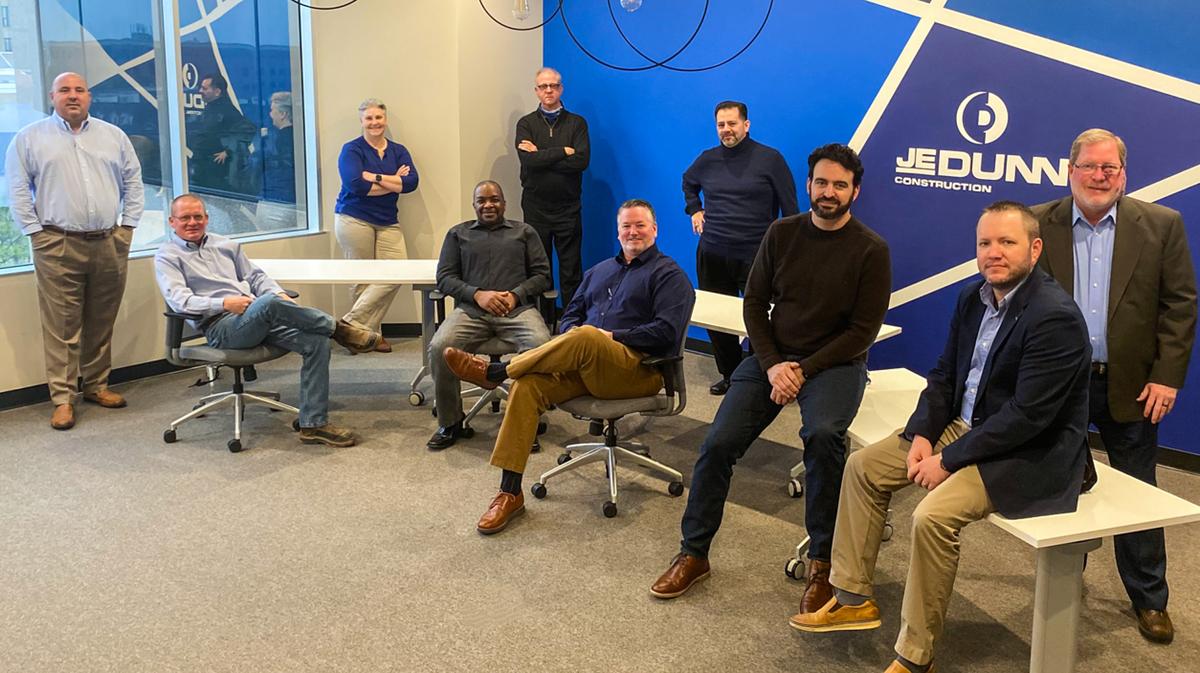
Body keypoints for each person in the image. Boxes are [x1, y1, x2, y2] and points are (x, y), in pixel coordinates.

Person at [790, 201, 1092, 673]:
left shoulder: (1055, 316)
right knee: (863, 467)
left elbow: (1027, 417)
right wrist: (923, 434)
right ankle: (853, 599)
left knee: (932, 517)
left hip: (1028, 449)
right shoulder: (973, 297)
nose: (994, 252)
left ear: (1034, 249)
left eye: (1007, 242)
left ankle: (916, 656)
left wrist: (947, 460)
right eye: (985, 243)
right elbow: (946, 375)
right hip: (964, 425)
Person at [651, 144, 890, 605]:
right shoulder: (782, 233)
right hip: (773, 358)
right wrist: (774, 364)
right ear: (809, 185)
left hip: (835, 364)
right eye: (822, 182)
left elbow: (862, 332)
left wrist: (802, 369)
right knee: (717, 444)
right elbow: (755, 303)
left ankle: (823, 563)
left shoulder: (871, 250)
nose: (829, 192)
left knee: (823, 438)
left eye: (840, 185)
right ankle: (694, 553)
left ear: (855, 192)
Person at [1033, 128, 1197, 644]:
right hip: (1059, 386)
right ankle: (1064, 584)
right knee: (1059, 486)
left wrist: (1166, 376)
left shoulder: (1162, 225)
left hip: (1131, 384)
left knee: (1138, 490)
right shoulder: (1036, 224)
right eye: (1089, 166)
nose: (1099, 176)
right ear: (1070, 171)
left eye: (1110, 168)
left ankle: (1150, 598)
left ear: (1124, 174)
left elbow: (1179, 305)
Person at [442, 199, 693, 535]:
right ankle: (510, 492)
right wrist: (576, 336)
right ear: (617, 232)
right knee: (528, 385)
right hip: (587, 366)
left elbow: (666, 332)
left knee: (587, 335)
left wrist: (610, 336)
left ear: (655, 230)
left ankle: (498, 372)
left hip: (638, 370)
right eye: (626, 226)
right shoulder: (599, 271)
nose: (633, 232)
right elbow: (571, 315)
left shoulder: (669, 275)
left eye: (640, 225)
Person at [154, 194, 381, 447]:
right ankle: (339, 329)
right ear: (172, 221)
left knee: (316, 342)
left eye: (198, 216)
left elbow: (257, 277)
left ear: (207, 218)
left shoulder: (226, 245)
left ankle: (313, 424)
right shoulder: (167, 256)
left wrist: (280, 295)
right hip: (220, 327)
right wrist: (225, 303)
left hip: (255, 316)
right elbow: (180, 301)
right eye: (185, 218)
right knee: (268, 303)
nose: (192, 222)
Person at [5, 71, 144, 430]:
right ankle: (63, 399)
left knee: (102, 318)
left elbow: (133, 182)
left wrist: (128, 227)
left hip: (109, 241)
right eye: (64, 90)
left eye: (79, 90)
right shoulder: (30, 138)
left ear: (89, 97)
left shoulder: (113, 136)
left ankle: (97, 385)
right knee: (62, 326)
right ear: (52, 97)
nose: (72, 95)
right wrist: (36, 234)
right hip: (56, 242)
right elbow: (17, 190)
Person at [682, 100, 799, 395]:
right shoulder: (707, 159)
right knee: (716, 320)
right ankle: (731, 375)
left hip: (756, 256)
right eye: (721, 125)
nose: (726, 130)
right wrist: (695, 209)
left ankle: (757, 378)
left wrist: (787, 252)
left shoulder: (770, 159)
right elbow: (688, 181)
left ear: (746, 125)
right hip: (712, 253)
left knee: (759, 320)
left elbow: (791, 210)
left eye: (732, 123)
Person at [426, 181, 552, 450]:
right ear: (474, 205)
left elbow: (543, 276)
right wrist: (477, 295)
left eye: (494, 199)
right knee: (439, 347)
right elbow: (444, 278)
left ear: (504, 203)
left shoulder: (525, 232)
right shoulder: (457, 234)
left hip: (517, 311)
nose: (488, 205)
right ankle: (451, 422)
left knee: (541, 346)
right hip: (472, 312)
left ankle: (527, 420)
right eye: (481, 200)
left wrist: (516, 294)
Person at [334, 98, 419, 353]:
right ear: (361, 121)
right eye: (369, 118)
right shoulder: (352, 150)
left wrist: (375, 177)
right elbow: (355, 185)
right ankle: (370, 335)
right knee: (361, 278)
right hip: (354, 218)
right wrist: (394, 182)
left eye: (378, 117)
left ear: (386, 119)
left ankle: (352, 326)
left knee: (397, 272)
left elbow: (411, 183)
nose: (374, 123)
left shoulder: (398, 151)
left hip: (388, 221)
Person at [515, 67, 590, 315]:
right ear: (536, 91)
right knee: (539, 270)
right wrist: (562, 152)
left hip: (568, 208)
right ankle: (541, 321)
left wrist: (540, 155)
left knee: (571, 270)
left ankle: (571, 322)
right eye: (543, 86)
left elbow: (581, 161)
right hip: (536, 208)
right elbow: (528, 162)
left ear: (561, 89)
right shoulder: (526, 124)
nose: (549, 90)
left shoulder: (577, 123)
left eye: (554, 85)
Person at [187, 73, 257, 198]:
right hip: (201, 165)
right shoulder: (209, 108)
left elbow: (248, 130)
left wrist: (228, 151)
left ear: (217, 91)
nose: (200, 91)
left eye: (205, 88)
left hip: (215, 170)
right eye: (201, 87)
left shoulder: (227, 110)